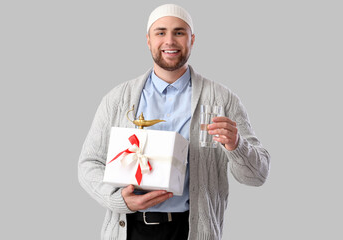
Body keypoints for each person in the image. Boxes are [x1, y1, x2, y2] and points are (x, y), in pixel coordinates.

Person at [78, 3, 270, 240]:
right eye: (161, 32)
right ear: (148, 40)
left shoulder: (222, 100)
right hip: (129, 229)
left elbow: (257, 176)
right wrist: (117, 198)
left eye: (179, 32)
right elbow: (88, 164)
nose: (170, 40)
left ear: (192, 39)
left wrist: (236, 145)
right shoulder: (118, 99)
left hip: (193, 230)